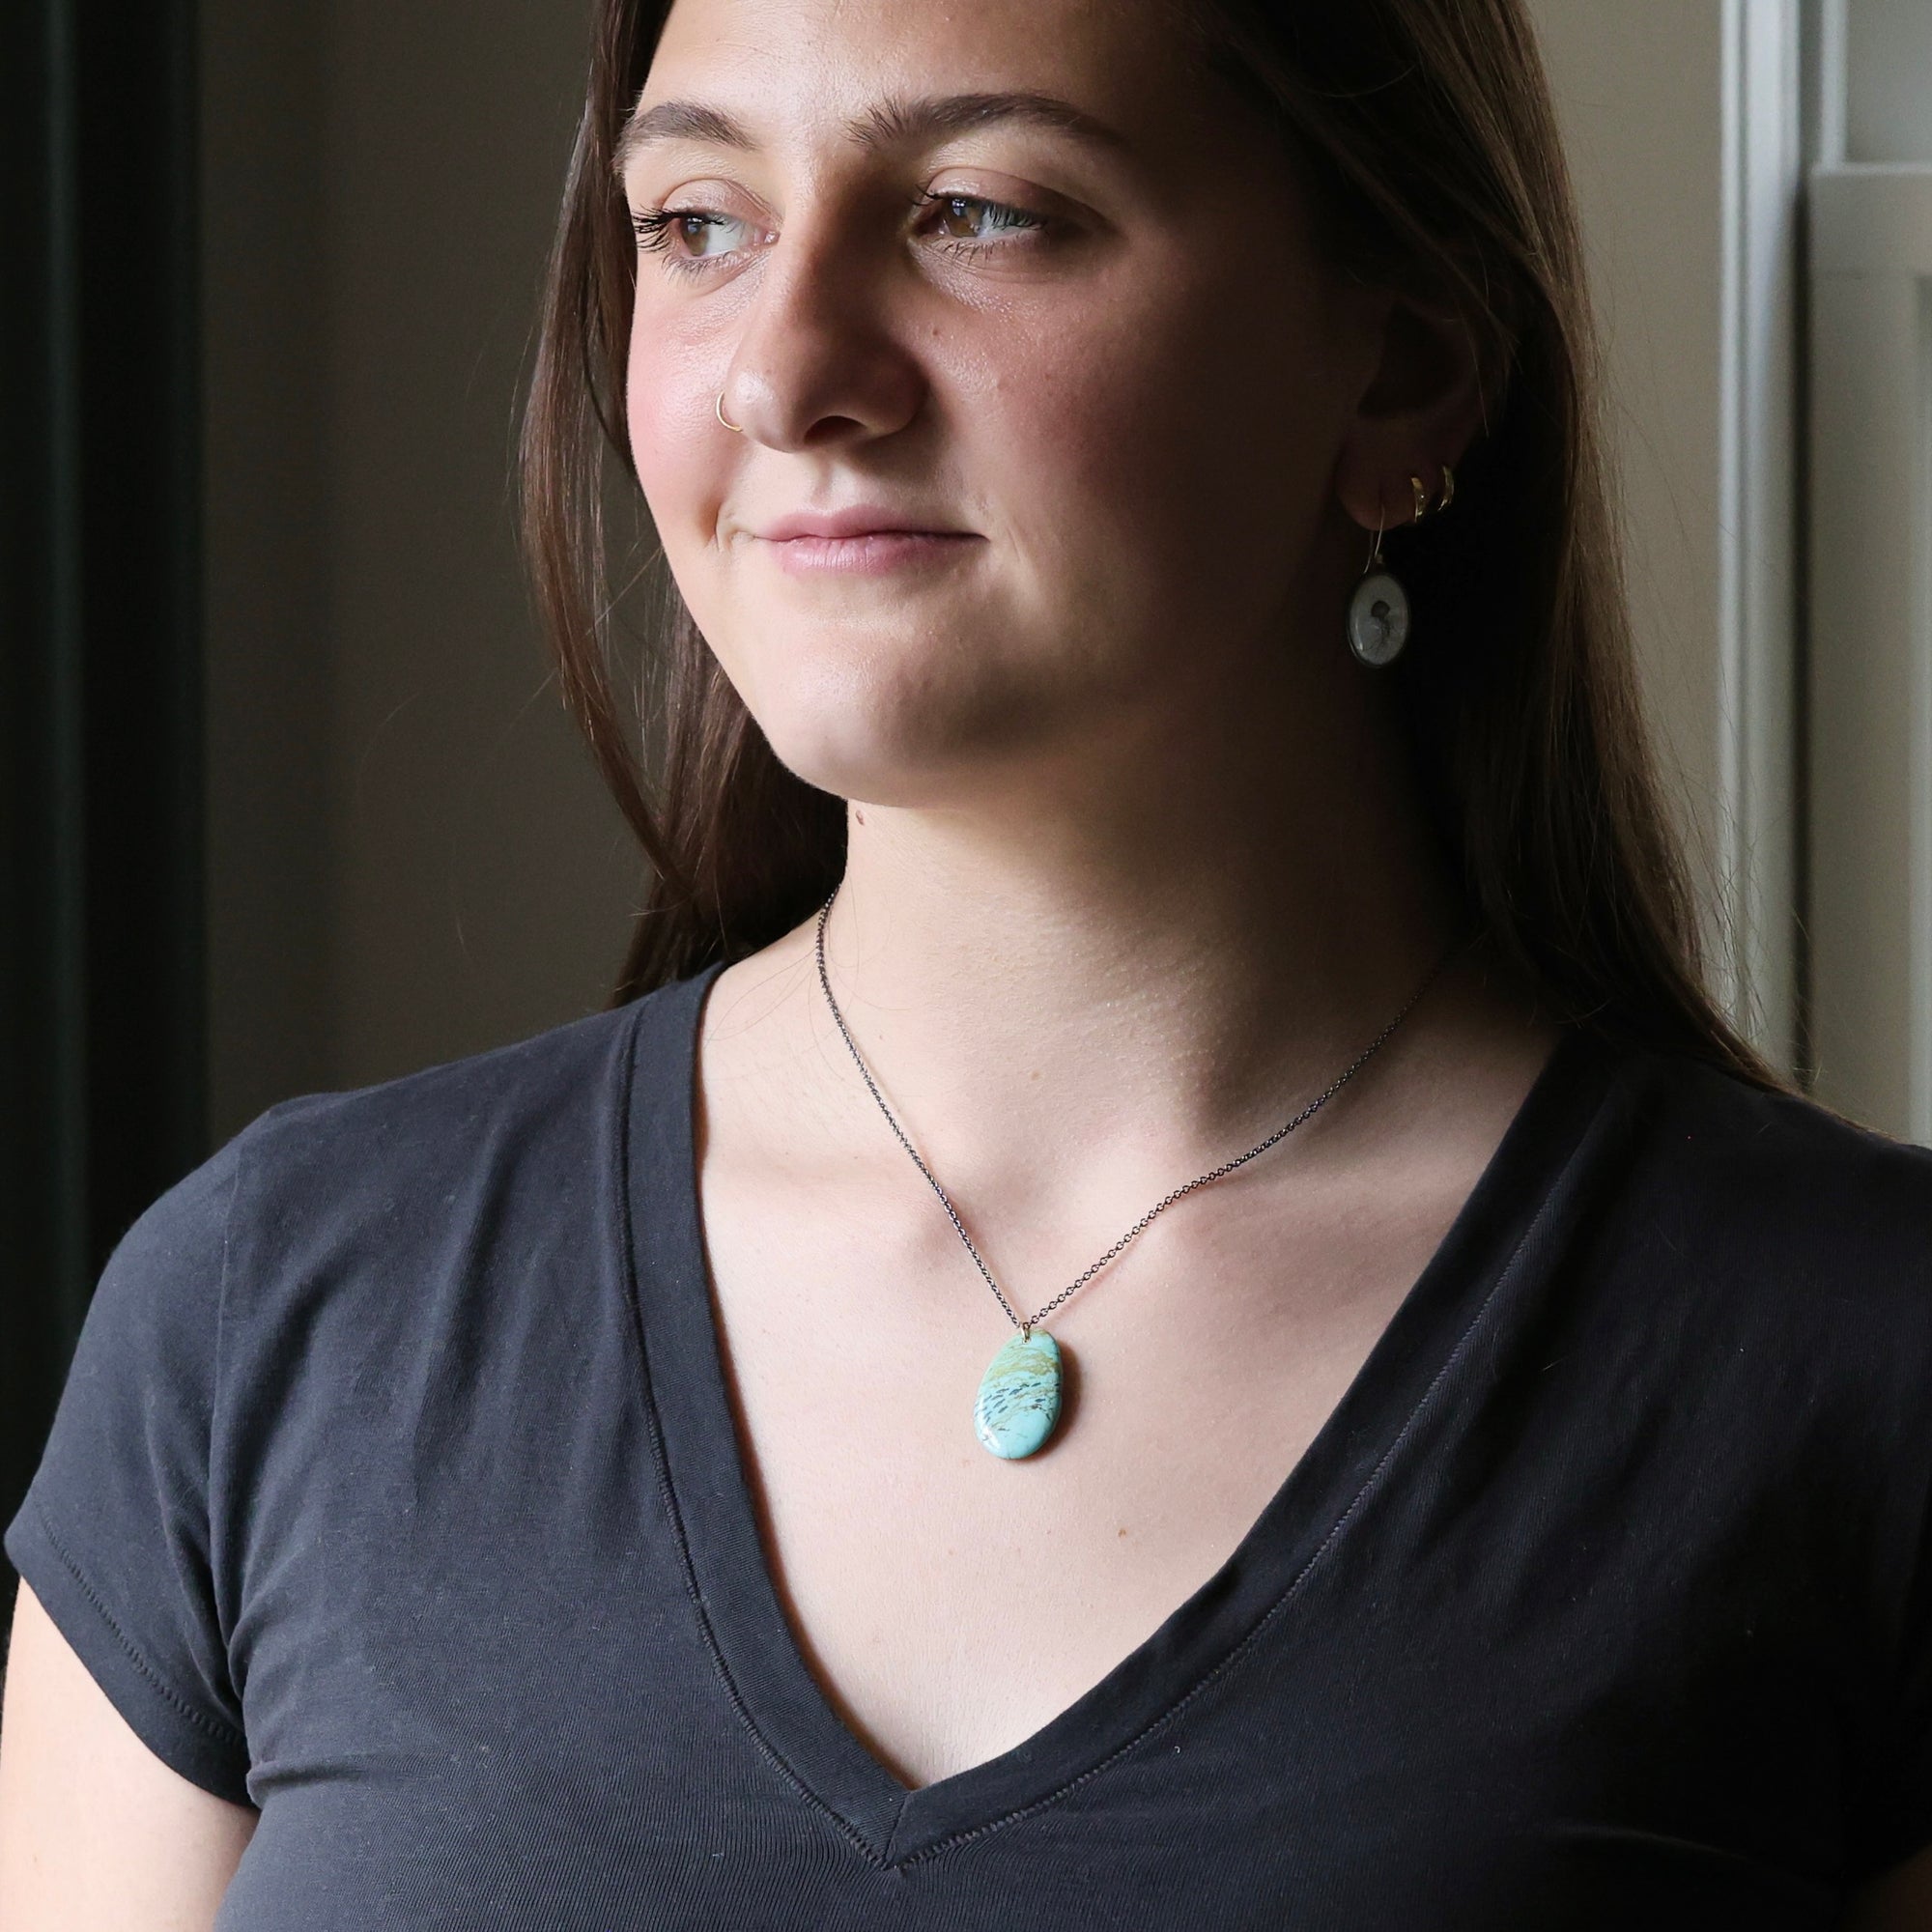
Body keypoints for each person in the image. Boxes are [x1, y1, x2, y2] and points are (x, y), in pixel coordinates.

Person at [5, 0, 1932, 1923]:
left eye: (976, 208)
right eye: (697, 223)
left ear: (1407, 368)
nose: (789, 371)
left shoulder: (1858, 1369)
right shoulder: (271, 1323)